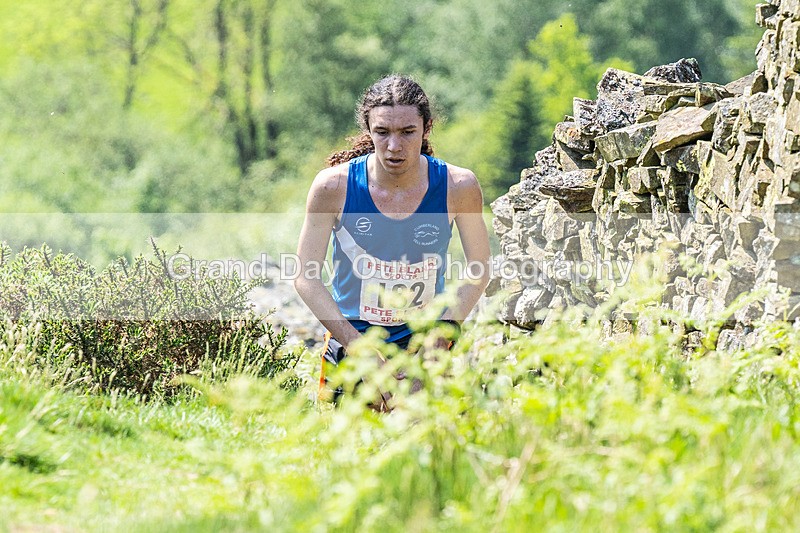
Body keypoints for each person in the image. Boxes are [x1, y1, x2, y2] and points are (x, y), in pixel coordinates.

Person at [294, 75, 490, 398]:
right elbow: (305, 277)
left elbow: (479, 268)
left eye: (407, 132)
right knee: (355, 446)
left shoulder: (459, 187)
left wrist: (438, 341)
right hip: (353, 340)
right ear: (368, 130)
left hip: (427, 342)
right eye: (382, 132)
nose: (394, 146)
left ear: (426, 128)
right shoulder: (332, 187)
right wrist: (356, 345)